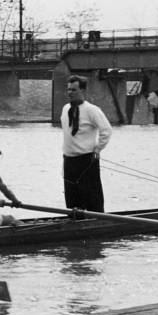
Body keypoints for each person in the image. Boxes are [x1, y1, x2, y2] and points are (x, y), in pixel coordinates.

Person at [60, 75, 113, 212]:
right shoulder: (66, 108)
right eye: (69, 90)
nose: (70, 93)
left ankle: (96, 220)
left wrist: (97, 149)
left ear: (83, 91)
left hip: (86, 160)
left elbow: (106, 130)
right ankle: (75, 221)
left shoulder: (92, 110)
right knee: (72, 198)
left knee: (91, 197)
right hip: (69, 160)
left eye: (74, 90)